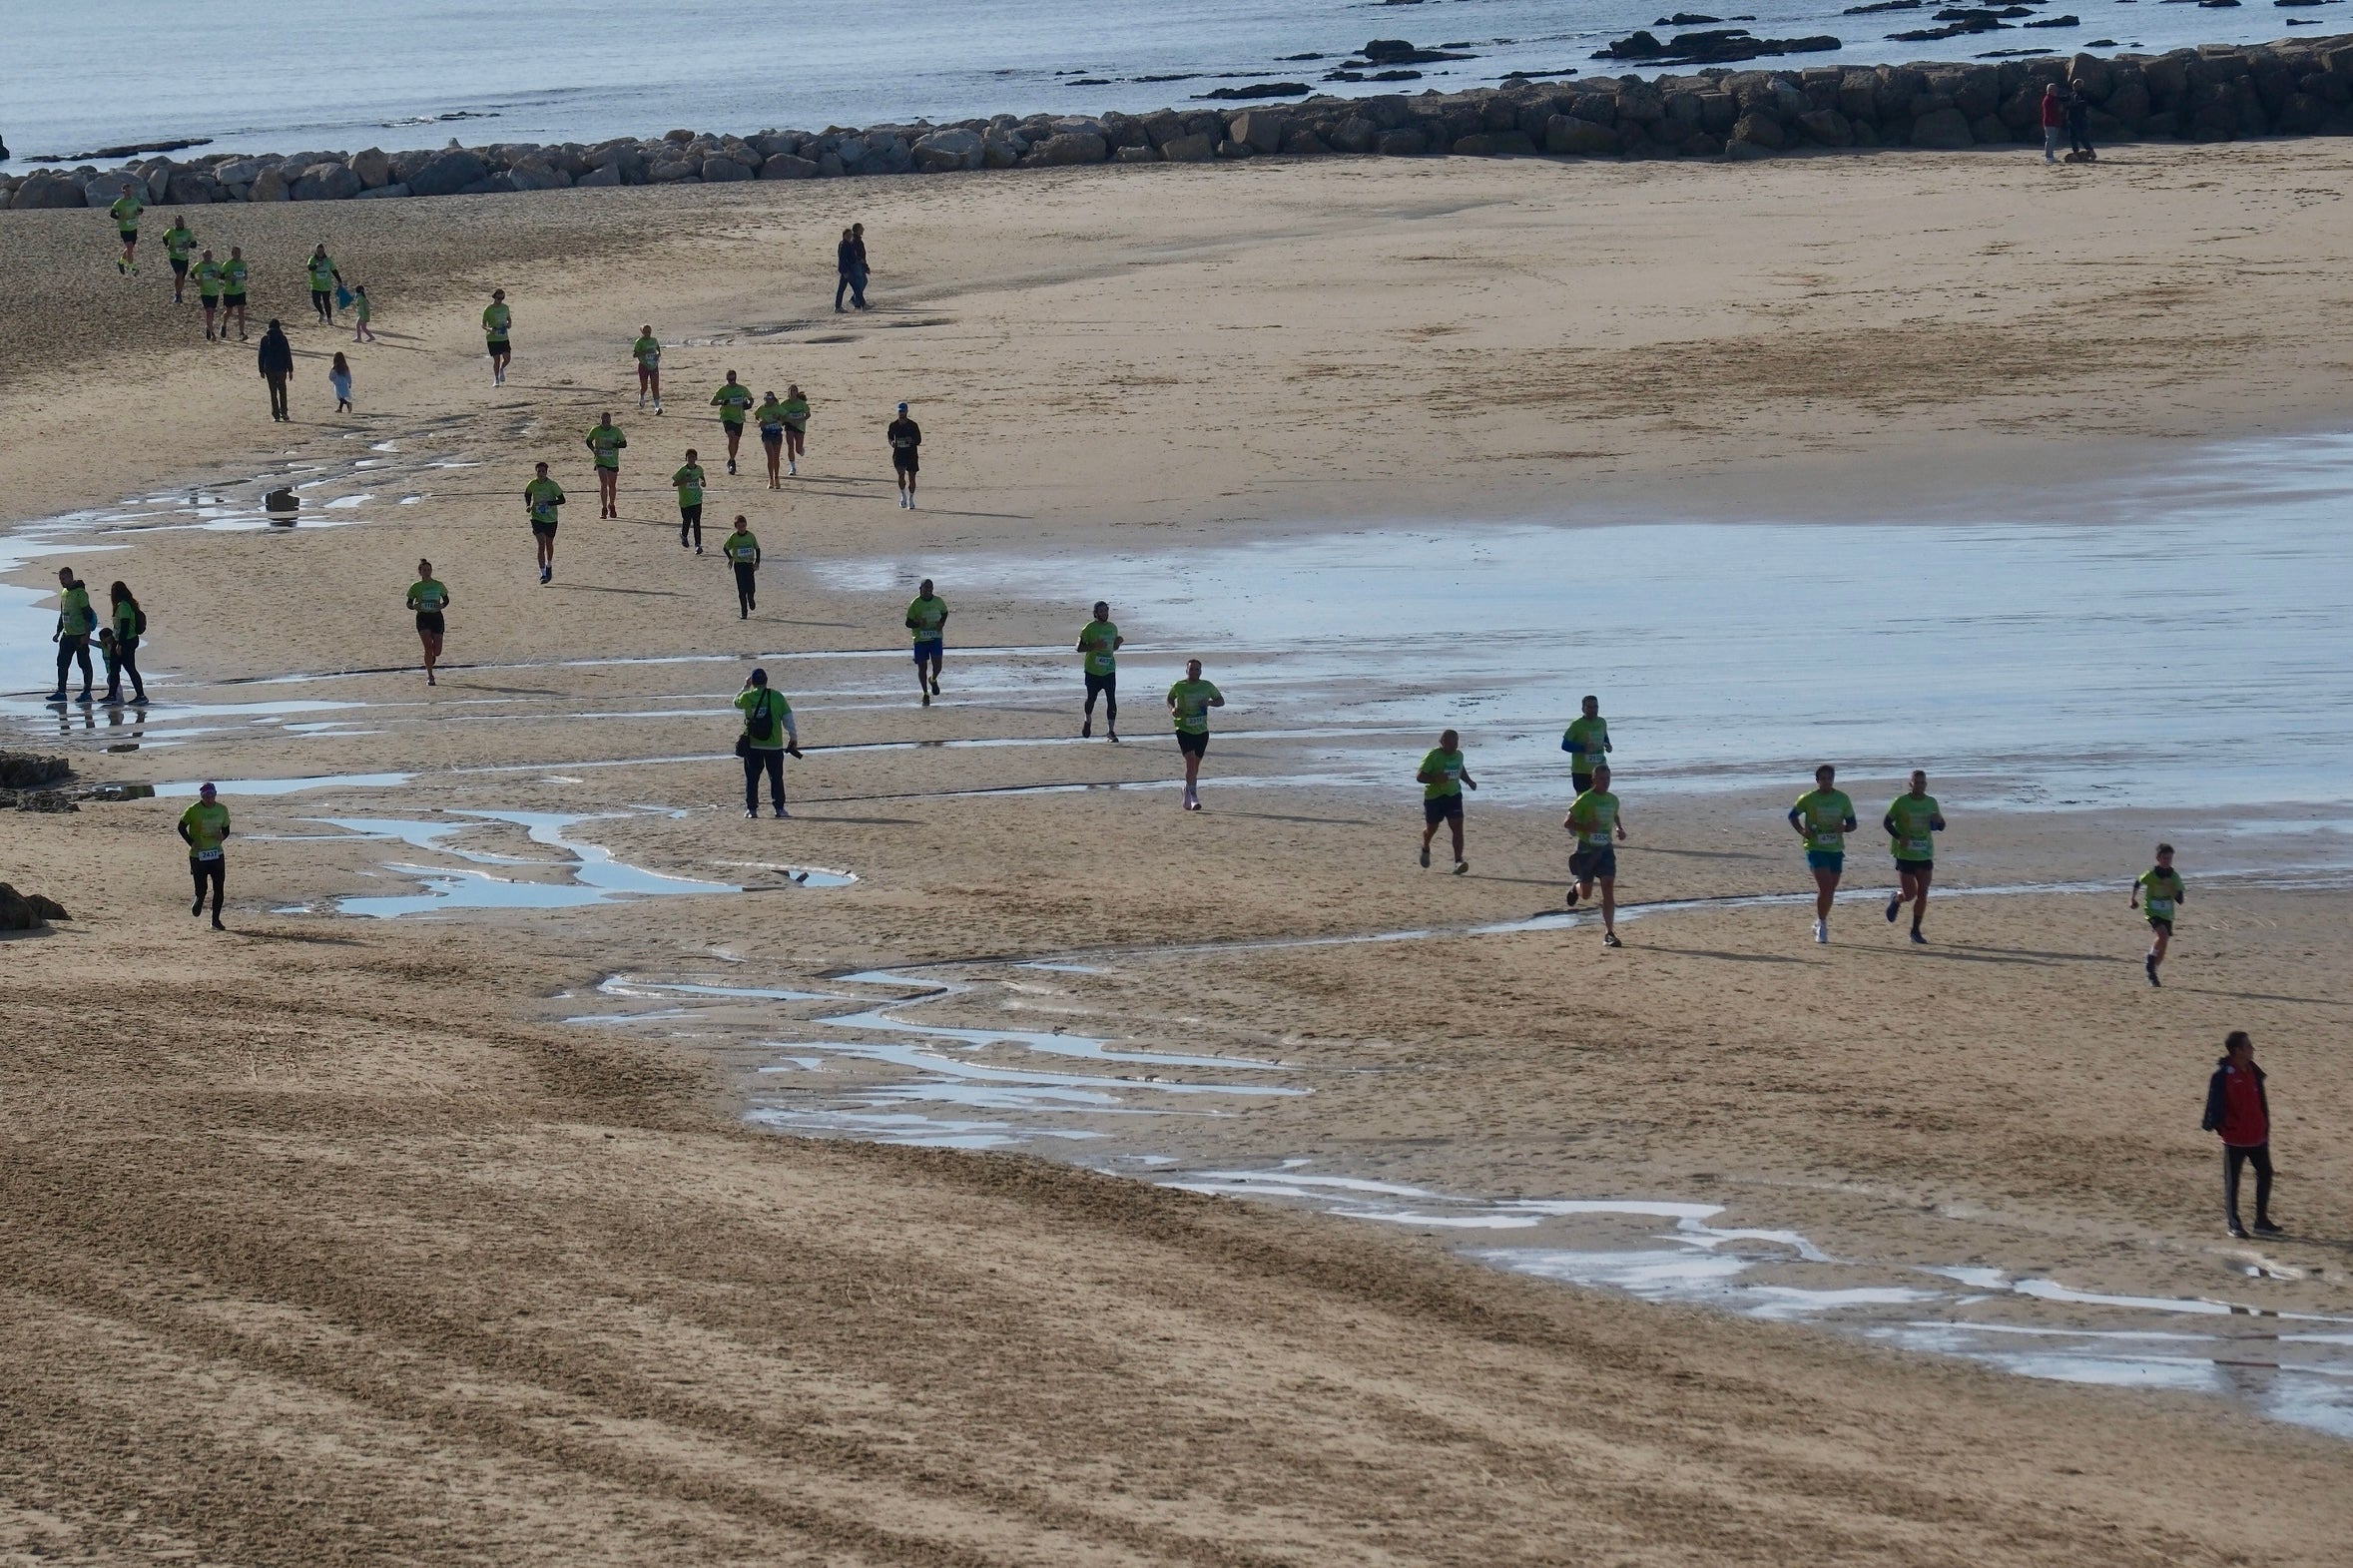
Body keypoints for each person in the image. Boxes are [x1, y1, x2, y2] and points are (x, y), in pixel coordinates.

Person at [2201, 1032, 2279, 1240]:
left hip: (2257, 1136)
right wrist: (2223, 1128)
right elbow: (2213, 1105)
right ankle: (2234, 1223)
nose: (2252, 1049)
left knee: (2266, 1173)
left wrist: (2264, 1126)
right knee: (2232, 1181)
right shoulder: (2222, 1075)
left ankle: (2261, 1220)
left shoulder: (2253, 1071)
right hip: (2234, 1138)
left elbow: (2261, 1102)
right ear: (2238, 1050)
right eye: (2248, 1046)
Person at [1789, 764, 1857, 945]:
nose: (1826, 782)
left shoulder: (1842, 799)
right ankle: (1823, 925)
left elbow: (1853, 824)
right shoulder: (1808, 798)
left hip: (1835, 849)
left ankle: (1819, 921)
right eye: (1823, 779)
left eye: (1829, 778)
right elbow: (1792, 815)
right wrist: (1802, 831)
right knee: (1825, 887)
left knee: (1831, 890)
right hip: (1815, 848)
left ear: (1833, 780)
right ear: (1817, 780)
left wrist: (1844, 828)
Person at [1563, 762, 1628, 946]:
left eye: (1607, 779)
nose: (1605, 782)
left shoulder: (1613, 799)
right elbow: (1567, 823)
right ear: (1594, 780)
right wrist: (1586, 828)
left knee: (1608, 886)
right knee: (1586, 894)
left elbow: (1614, 814)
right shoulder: (1585, 799)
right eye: (1601, 779)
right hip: (1586, 850)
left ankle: (1609, 933)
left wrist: (1619, 828)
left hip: (1606, 849)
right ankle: (1576, 886)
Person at [1882, 770, 1945, 944]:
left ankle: (1915, 931)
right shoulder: (1901, 802)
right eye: (1916, 782)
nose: (1920, 785)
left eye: (1923, 782)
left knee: (1923, 893)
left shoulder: (1931, 802)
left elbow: (1941, 826)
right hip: (1905, 854)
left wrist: (1939, 821)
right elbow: (1887, 822)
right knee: (1910, 894)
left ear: (1926, 784)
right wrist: (1899, 837)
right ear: (1911, 784)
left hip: (1925, 853)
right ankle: (1897, 898)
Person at [735, 668, 802, 817]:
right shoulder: (777, 697)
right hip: (774, 745)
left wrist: (745, 687)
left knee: (752, 778)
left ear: (753, 682)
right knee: (776, 777)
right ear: (766, 681)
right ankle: (779, 809)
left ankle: (752, 810)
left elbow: (736, 702)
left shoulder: (747, 696)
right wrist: (793, 737)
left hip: (753, 745)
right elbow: (788, 719)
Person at [1167, 659, 1225, 811]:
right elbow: (1169, 698)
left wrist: (1209, 703)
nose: (1193, 672)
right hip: (1183, 728)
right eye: (1191, 669)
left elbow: (1221, 701)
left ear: (1201, 671)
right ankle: (1193, 797)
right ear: (1186, 671)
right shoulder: (1179, 686)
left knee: (1195, 766)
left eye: (1196, 669)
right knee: (1190, 762)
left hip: (1201, 731)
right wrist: (1173, 709)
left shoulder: (1207, 686)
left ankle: (1187, 789)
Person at [1417, 729, 1477, 874]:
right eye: (1450, 743)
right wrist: (1435, 779)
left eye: (1455, 743)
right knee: (1432, 828)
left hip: (1453, 795)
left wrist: (1469, 781)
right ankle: (1426, 845)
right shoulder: (1433, 756)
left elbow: (1460, 769)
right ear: (1442, 742)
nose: (1453, 746)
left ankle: (1458, 861)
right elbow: (1420, 776)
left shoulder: (1459, 755)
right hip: (1434, 797)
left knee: (1457, 827)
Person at [2131, 842, 2186, 987]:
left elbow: (2180, 900)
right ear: (2158, 858)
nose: (2168, 861)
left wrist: (2171, 887)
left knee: (2164, 942)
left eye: (2170, 858)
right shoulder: (2151, 874)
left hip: (2167, 913)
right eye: (2165, 858)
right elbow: (2138, 882)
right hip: (2152, 910)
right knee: (2162, 935)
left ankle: (2153, 972)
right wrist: (2132, 899)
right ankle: (2150, 959)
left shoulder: (2174, 877)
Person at [179, 783, 232, 930]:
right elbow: (181, 827)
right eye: (206, 796)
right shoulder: (193, 810)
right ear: (202, 796)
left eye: (212, 795)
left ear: (215, 794)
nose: (209, 798)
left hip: (216, 854)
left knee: (219, 889)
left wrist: (223, 836)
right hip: (198, 856)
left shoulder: (222, 809)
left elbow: (226, 829)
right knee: (202, 888)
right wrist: (191, 842)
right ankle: (199, 899)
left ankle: (215, 921)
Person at [46, 568, 97, 704]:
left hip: (80, 635)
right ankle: (61, 692)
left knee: (84, 664)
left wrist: (87, 635)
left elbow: (87, 615)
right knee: (62, 663)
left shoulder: (80, 593)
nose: (61, 582)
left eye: (64, 579)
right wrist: (58, 631)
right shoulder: (64, 593)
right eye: (60, 579)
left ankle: (86, 692)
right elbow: (63, 613)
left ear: (70, 577)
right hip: (67, 635)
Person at [1077, 600, 1122, 740]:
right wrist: (1094, 646)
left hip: (1109, 669)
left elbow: (1112, 647)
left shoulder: (1113, 627)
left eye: (1106, 610)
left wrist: (1117, 644)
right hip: (1092, 670)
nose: (1104, 613)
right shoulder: (1089, 628)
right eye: (1101, 611)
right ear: (1096, 613)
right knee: (1091, 699)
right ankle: (1088, 719)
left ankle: (1111, 731)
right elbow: (1078, 648)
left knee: (1111, 700)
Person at [406, 560, 449, 685]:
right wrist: (414, 606)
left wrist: (441, 605)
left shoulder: (438, 585)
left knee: (437, 651)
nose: (427, 572)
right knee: (428, 647)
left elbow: (446, 600)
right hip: (423, 617)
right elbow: (408, 603)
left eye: (429, 570)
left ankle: (432, 657)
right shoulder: (415, 586)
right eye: (424, 570)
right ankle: (430, 676)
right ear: (420, 572)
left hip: (436, 617)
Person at [905, 578, 947, 705]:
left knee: (938, 666)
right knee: (922, 667)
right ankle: (925, 693)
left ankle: (933, 679)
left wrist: (942, 623)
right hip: (920, 639)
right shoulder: (915, 603)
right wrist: (918, 623)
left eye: (930, 588)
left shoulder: (938, 601)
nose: (928, 591)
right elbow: (908, 623)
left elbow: (945, 612)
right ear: (920, 589)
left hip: (935, 637)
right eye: (925, 588)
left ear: (932, 589)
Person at [105, 581, 147, 704]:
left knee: (130, 668)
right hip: (120, 640)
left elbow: (125, 626)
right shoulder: (124, 605)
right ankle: (112, 695)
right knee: (114, 668)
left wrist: (120, 644)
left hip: (127, 641)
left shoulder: (123, 606)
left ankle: (141, 695)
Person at [1561, 695, 1611, 793]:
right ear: (1583, 709)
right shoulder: (1577, 724)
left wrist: (1608, 746)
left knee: (1600, 798)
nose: (1593, 710)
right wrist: (1583, 748)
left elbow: (1605, 737)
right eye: (1589, 707)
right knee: (1584, 800)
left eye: (1595, 707)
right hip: (1581, 771)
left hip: (1599, 770)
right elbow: (1565, 745)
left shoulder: (1602, 722)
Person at [525, 461, 564, 583]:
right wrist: (528, 505)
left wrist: (549, 503)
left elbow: (562, 500)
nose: (541, 473)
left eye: (543, 471)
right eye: (539, 471)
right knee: (541, 544)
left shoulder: (552, 485)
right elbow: (527, 494)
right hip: (536, 517)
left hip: (551, 518)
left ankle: (549, 565)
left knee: (549, 544)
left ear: (546, 473)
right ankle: (542, 574)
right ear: (536, 472)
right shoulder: (532, 484)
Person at [585, 412, 627, 519]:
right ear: (600, 421)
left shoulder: (616, 431)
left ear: (610, 421)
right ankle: (604, 508)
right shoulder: (595, 430)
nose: (605, 424)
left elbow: (624, 444)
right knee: (603, 483)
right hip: (600, 460)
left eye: (607, 421)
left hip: (612, 461)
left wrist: (613, 444)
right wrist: (593, 449)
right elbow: (588, 441)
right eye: (603, 422)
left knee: (611, 485)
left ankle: (611, 505)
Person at [711, 370, 753, 474]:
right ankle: (732, 462)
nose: (732, 381)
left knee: (736, 441)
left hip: (739, 417)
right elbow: (712, 402)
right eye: (730, 380)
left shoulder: (742, 389)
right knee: (731, 436)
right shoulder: (723, 390)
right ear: (727, 379)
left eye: (733, 379)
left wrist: (749, 405)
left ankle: (731, 459)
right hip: (727, 417)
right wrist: (721, 402)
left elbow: (751, 399)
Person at [722, 516, 761, 618]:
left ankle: (751, 599)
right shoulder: (733, 537)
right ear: (736, 527)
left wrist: (757, 562)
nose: (742, 528)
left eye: (743, 526)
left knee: (751, 587)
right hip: (739, 565)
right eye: (739, 526)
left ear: (746, 525)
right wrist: (730, 558)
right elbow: (725, 548)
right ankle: (744, 612)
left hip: (749, 565)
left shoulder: (751, 536)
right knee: (741, 589)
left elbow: (757, 549)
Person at [258, 319, 294, 421]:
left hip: (269, 368)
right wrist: (290, 370)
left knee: (273, 392)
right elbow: (287, 354)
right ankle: (284, 412)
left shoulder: (264, 339)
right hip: (281, 368)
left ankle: (276, 415)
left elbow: (261, 355)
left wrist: (261, 370)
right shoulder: (282, 338)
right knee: (282, 390)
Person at [672, 449, 707, 551]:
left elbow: (702, 477)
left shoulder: (699, 469)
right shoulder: (682, 470)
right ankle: (683, 535)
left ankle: (698, 544)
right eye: (689, 457)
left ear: (696, 458)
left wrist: (703, 482)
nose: (691, 459)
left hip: (697, 500)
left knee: (696, 522)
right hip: (685, 501)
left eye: (693, 457)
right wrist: (684, 480)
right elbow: (674, 483)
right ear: (686, 459)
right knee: (687, 520)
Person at [888, 401, 921, 508]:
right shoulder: (893, 425)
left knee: (912, 478)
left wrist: (911, 440)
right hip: (899, 453)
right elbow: (890, 437)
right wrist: (892, 443)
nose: (901, 414)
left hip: (911, 454)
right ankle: (903, 495)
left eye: (903, 412)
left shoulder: (913, 425)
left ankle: (911, 498)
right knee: (901, 475)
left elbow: (919, 440)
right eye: (900, 412)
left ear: (907, 412)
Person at [754, 390, 789, 487]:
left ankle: (776, 477)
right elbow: (756, 416)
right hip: (766, 433)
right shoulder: (761, 408)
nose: (769, 400)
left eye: (770, 398)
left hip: (777, 432)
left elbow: (786, 416)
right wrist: (759, 422)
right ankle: (770, 479)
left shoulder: (777, 407)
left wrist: (779, 419)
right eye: (767, 398)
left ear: (773, 399)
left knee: (776, 457)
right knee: (770, 455)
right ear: (764, 399)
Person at [109, 184, 144, 274]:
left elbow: (141, 209)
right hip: (124, 228)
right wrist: (119, 217)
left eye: (130, 190)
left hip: (133, 228)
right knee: (129, 247)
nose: (129, 192)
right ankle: (132, 268)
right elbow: (112, 214)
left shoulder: (135, 200)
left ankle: (121, 262)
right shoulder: (119, 202)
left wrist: (139, 212)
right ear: (123, 192)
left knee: (130, 249)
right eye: (127, 191)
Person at [305, 244, 341, 325]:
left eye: (321, 251)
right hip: (315, 285)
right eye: (318, 251)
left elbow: (334, 270)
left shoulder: (328, 261)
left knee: (326, 302)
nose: (320, 253)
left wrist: (339, 281)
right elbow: (309, 268)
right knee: (316, 301)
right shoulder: (312, 259)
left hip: (326, 286)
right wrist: (317, 265)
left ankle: (329, 318)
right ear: (316, 251)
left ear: (324, 251)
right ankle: (321, 313)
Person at [835, 225, 869, 311]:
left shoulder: (848, 243)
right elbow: (842, 259)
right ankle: (861, 304)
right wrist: (844, 271)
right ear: (844, 235)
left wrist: (859, 260)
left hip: (848, 269)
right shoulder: (844, 244)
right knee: (855, 287)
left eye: (850, 234)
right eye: (848, 235)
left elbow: (853, 256)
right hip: (846, 270)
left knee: (847, 288)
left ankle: (839, 307)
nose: (850, 236)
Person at [483, 288, 513, 385]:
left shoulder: (505, 308)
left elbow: (509, 319)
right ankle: (496, 379)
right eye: (498, 298)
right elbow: (483, 324)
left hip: (504, 337)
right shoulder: (488, 309)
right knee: (497, 359)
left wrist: (509, 324)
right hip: (493, 339)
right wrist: (490, 329)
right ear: (494, 297)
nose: (500, 300)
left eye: (502, 298)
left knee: (507, 358)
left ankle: (501, 369)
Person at [162, 217, 195, 302]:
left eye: (181, 221)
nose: (179, 223)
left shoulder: (187, 232)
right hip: (174, 257)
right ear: (175, 222)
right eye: (178, 221)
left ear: (183, 222)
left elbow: (194, 244)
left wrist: (188, 245)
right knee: (179, 274)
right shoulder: (171, 231)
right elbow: (164, 238)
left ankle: (179, 294)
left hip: (184, 257)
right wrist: (167, 245)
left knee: (182, 277)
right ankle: (177, 294)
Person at [194, 249, 225, 340]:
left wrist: (218, 275)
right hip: (204, 292)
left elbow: (223, 276)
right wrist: (195, 280)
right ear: (203, 256)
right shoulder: (199, 265)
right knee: (209, 311)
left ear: (211, 256)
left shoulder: (216, 265)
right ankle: (212, 334)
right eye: (205, 255)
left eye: (209, 255)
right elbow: (192, 273)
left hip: (215, 292)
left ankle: (208, 327)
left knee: (212, 313)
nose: (207, 257)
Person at [221, 247, 251, 340]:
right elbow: (220, 275)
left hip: (240, 290)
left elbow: (245, 273)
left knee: (241, 311)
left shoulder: (243, 263)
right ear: (232, 254)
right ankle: (224, 324)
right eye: (236, 253)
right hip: (229, 291)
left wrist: (245, 276)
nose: (238, 255)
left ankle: (241, 332)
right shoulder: (227, 264)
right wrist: (229, 278)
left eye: (239, 253)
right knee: (229, 311)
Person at [632, 325, 663, 412]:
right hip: (643, 366)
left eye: (649, 332)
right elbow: (635, 354)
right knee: (644, 386)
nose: (647, 334)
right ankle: (641, 396)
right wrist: (645, 352)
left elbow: (658, 349)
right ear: (642, 332)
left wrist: (657, 355)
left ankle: (657, 407)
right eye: (645, 332)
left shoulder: (654, 340)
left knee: (655, 386)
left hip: (654, 366)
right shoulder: (639, 342)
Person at [782, 383, 810, 475]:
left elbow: (808, 414)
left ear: (796, 393)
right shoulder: (784, 404)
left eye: (794, 390)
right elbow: (780, 414)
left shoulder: (801, 403)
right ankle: (793, 468)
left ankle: (801, 450)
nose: (792, 392)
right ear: (788, 393)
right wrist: (784, 420)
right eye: (790, 390)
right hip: (789, 425)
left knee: (798, 449)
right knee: (790, 445)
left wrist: (799, 420)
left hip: (800, 426)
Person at [2065, 79, 2095, 162]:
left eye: (2076, 85)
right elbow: (2065, 98)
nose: (2074, 86)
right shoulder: (2072, 94)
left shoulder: (2083, 94)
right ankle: (2076, 153)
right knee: (2072, 137)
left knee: (2082, 137)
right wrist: (2055, 97)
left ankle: (2091, 151)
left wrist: (2069, 106)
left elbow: (2082, 104)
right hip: (2071, 119)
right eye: (2074, 85)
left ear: (2081, 86)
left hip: (2080, 119)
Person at [2041, 82, 2065, 164]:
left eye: (2056, 89)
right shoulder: (2048, 99)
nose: (2056, 91)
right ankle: (2048, 156)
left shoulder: (2054, 99)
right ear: (2050, 90)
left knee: (2053, 140)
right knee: (2050, 139)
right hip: (2049, 122)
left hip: (2055, 122)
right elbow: (2050, 112)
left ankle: (2051, 155)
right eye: (2054, 89)